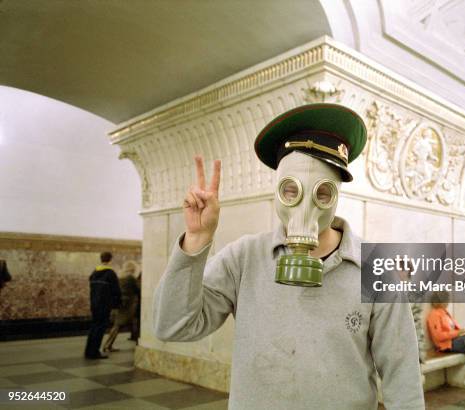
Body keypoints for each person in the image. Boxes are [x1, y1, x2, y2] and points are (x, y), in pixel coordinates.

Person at [153, 104, 425, 409]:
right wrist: (196, 240)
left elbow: (402, 374)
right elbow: (172, 326)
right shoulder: (244, 258)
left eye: (322, 194)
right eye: (291, 191)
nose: (305, 208)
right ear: (277, 191)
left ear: (336, 195)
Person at [84, 252, 121, 359]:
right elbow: (116, 291)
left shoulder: (94, 273)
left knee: (94, 327)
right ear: (110, 260)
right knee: (100, 329)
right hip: (104, 305)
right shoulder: (110, 273)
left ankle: (89, 351)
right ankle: (94, 352)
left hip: (94, 304)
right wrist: (117, 305)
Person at [103, 261, 140, 352]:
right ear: (132, 269)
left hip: (121, 303)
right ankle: (107, 345)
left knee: (119, 325)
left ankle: (108, 345)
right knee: (119, 325)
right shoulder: (131, 278)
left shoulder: (120, 277)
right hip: (129, 305)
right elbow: (138, 290)